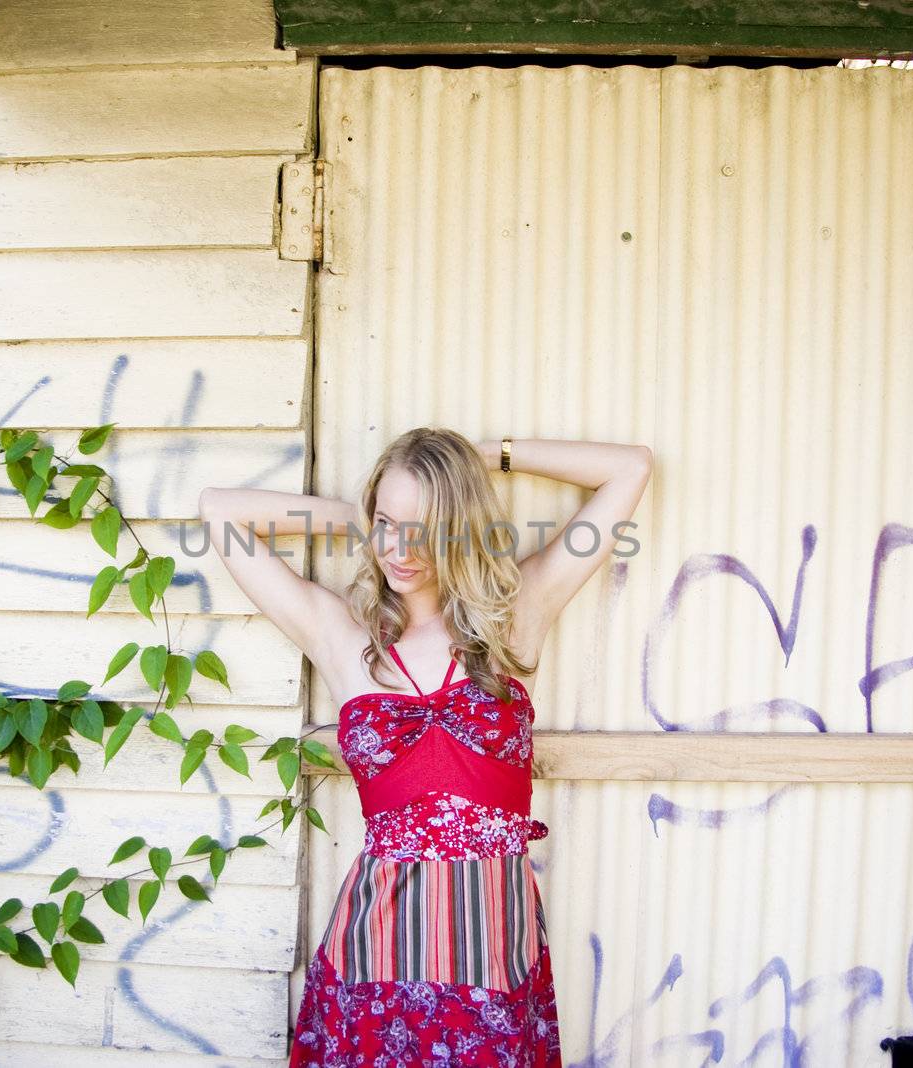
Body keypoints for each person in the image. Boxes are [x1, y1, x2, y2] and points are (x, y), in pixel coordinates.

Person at [197, 427, 653, 1066]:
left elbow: (629, 469)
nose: (397, 549)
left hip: (491, 943)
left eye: (426, 528)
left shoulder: (515, 616)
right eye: (386, 524)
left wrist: (492, 454)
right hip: (377, 945)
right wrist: (359, 518)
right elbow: (220, 512)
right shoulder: (340, 635)